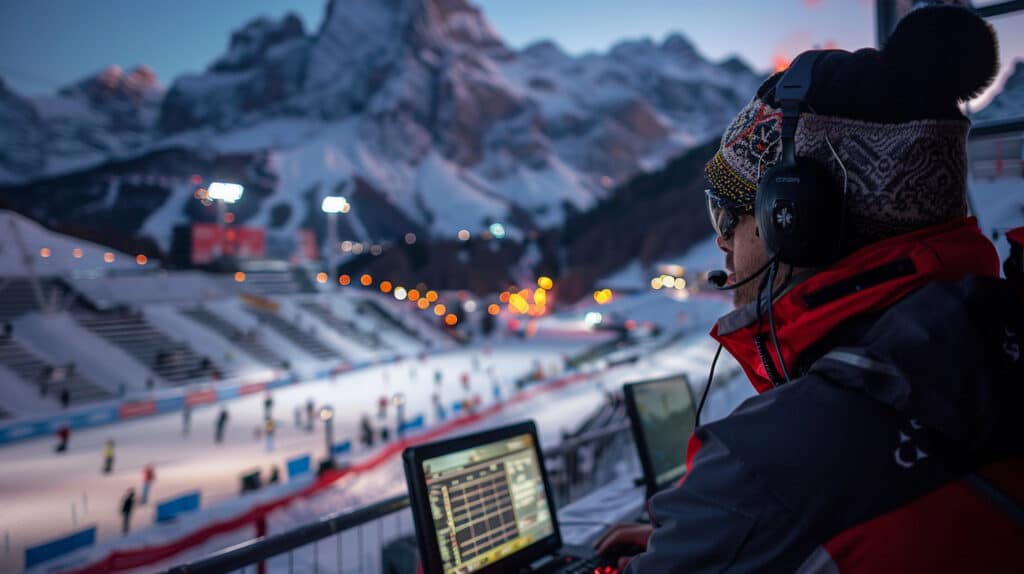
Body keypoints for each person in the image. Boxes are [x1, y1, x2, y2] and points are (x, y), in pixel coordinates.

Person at [596, 7, 1023, 572]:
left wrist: (718, 523)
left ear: (793, 218)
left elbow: (793, 492)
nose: (723, 246)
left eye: (730, 219)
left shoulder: (762, 461)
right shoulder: (995, 339)